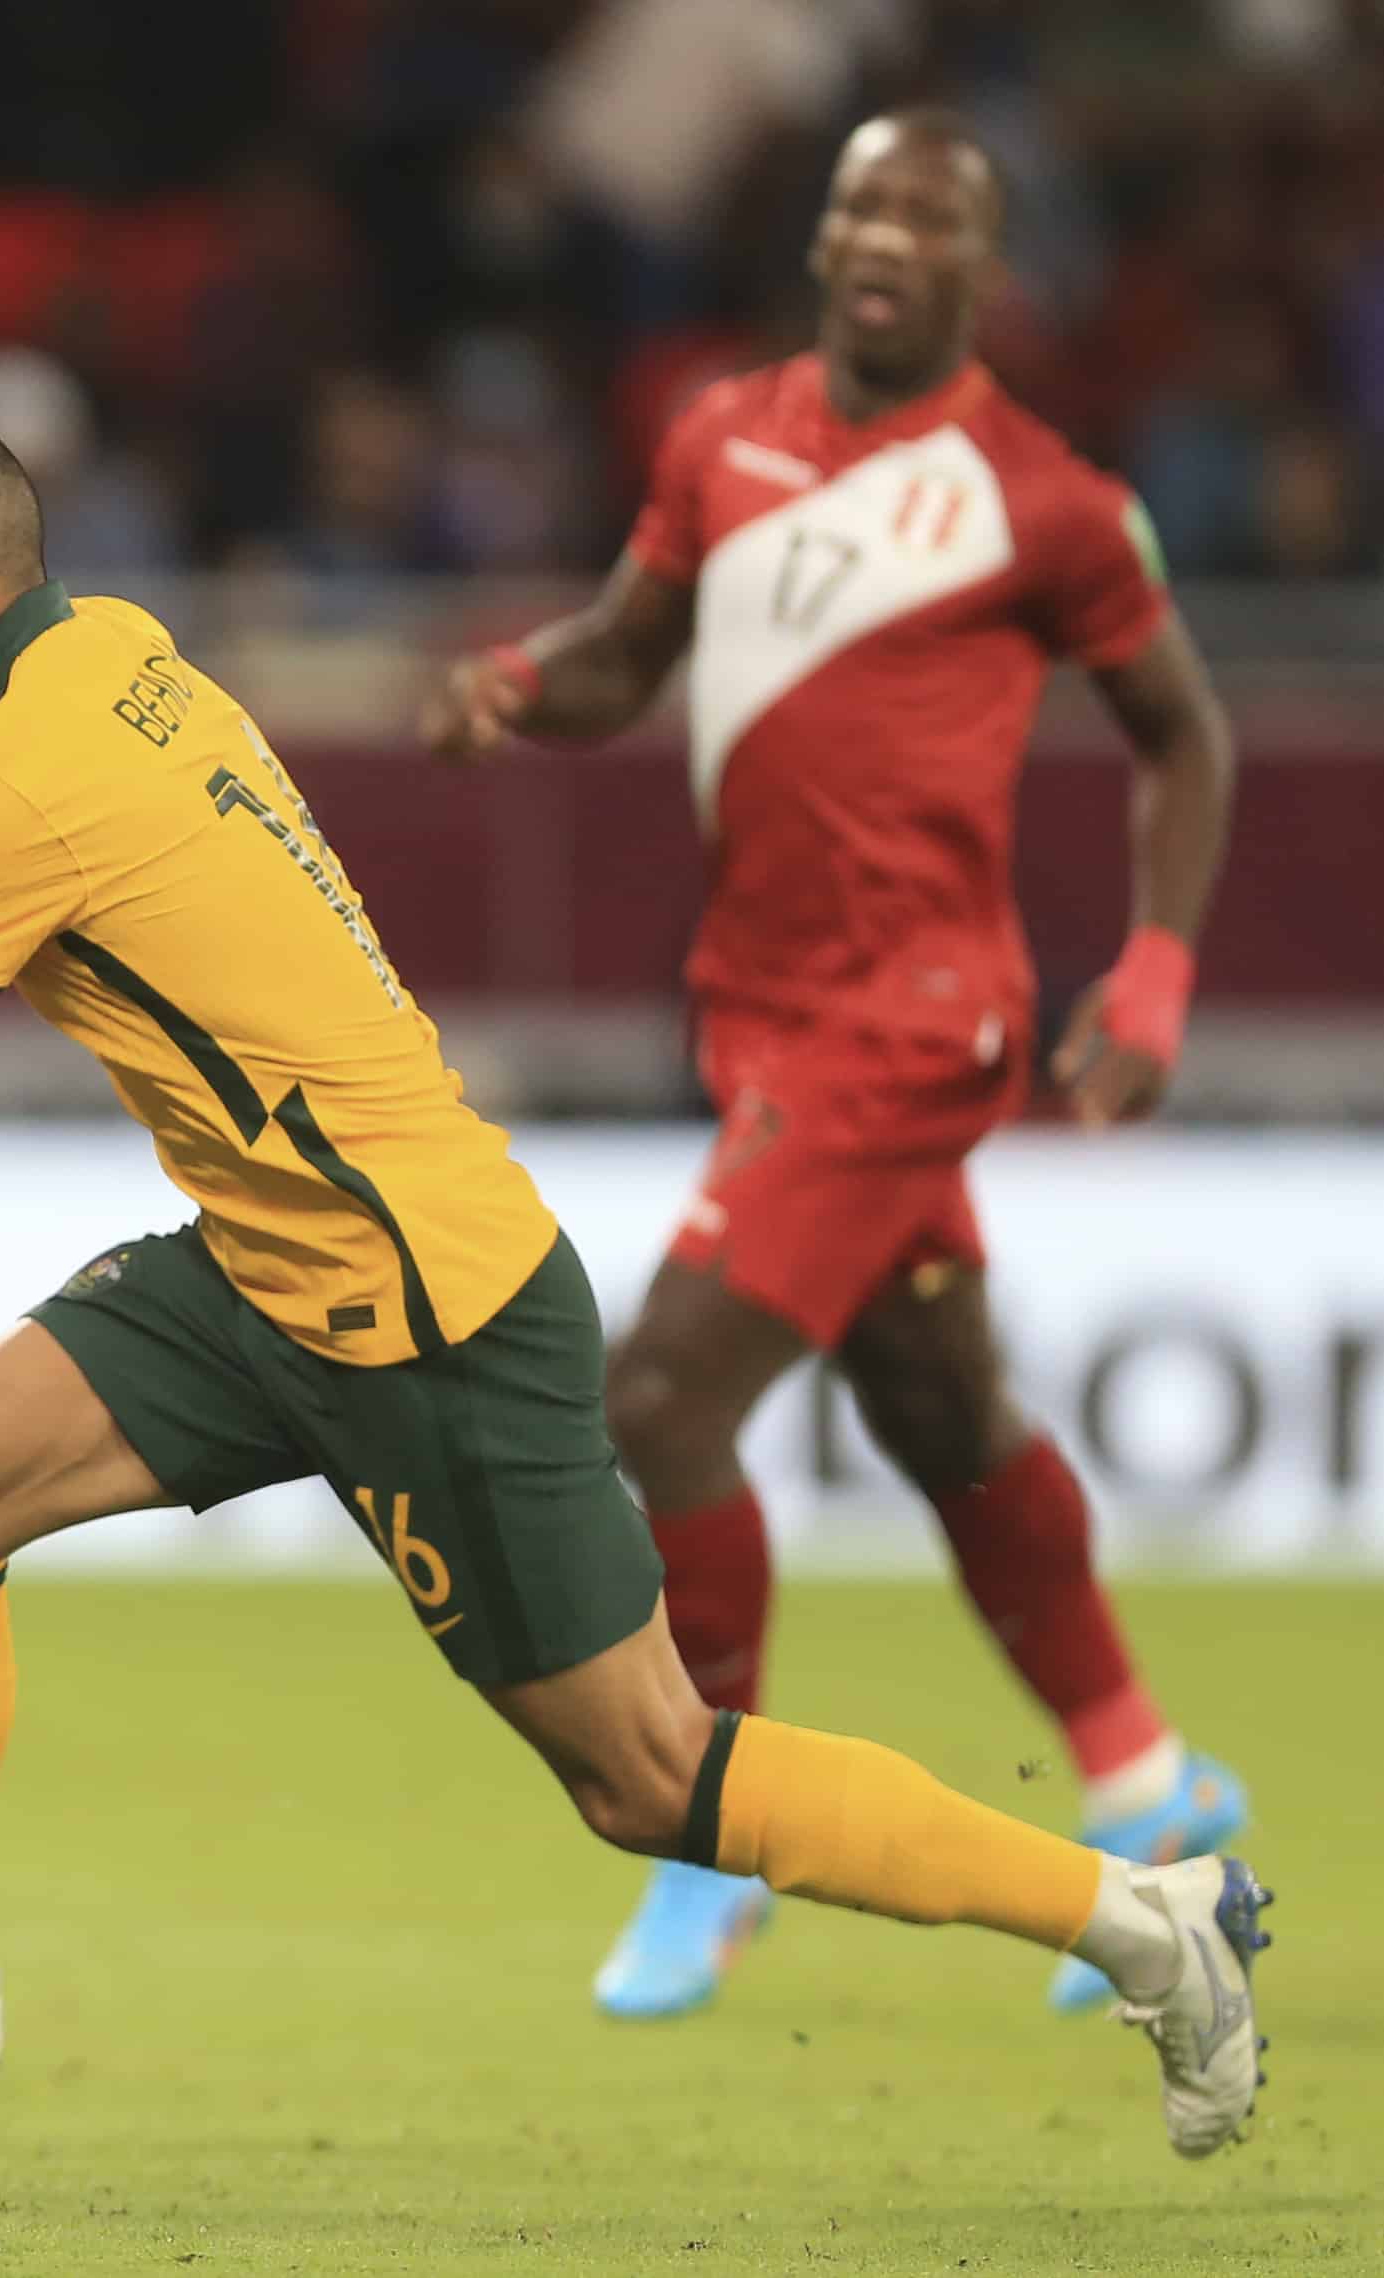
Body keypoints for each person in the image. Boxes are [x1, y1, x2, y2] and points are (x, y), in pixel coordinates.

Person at [0, 407, 1272, 2160]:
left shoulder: (25, 787)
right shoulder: (101, 655)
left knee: (645, 1773)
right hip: (270, 1265)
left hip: (423, 1307)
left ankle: (1137, 1919)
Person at [420, 110, 1246, 2022]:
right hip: (764, 1011)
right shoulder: (721, 434)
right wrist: (526, 683)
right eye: (858, 202)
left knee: (653, 1393)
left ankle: (716, 1829)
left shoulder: (1039, 497)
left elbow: (1184, 735)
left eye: (925, 215)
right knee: (946, 1414)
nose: (881, 234)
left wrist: (1155, 974)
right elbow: (636, 647)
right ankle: (1152, 1783)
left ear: (981, 264)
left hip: (909, 1022)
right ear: (821, 238)